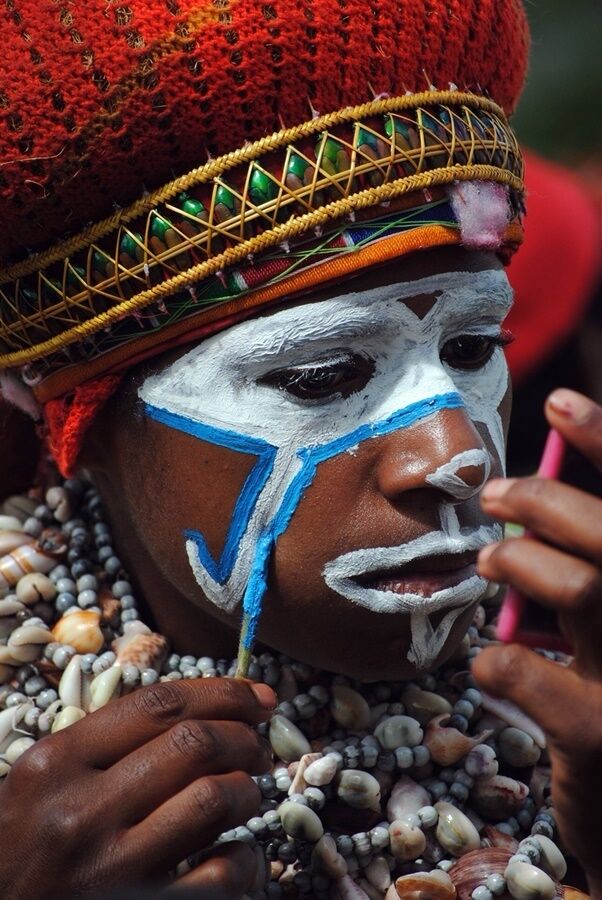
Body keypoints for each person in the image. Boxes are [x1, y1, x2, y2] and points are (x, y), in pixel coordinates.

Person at [0, 1, 600, 897]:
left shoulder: (570, 723)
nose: (456, 456)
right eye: (321, 377)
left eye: (472, 351)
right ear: (81, 427)